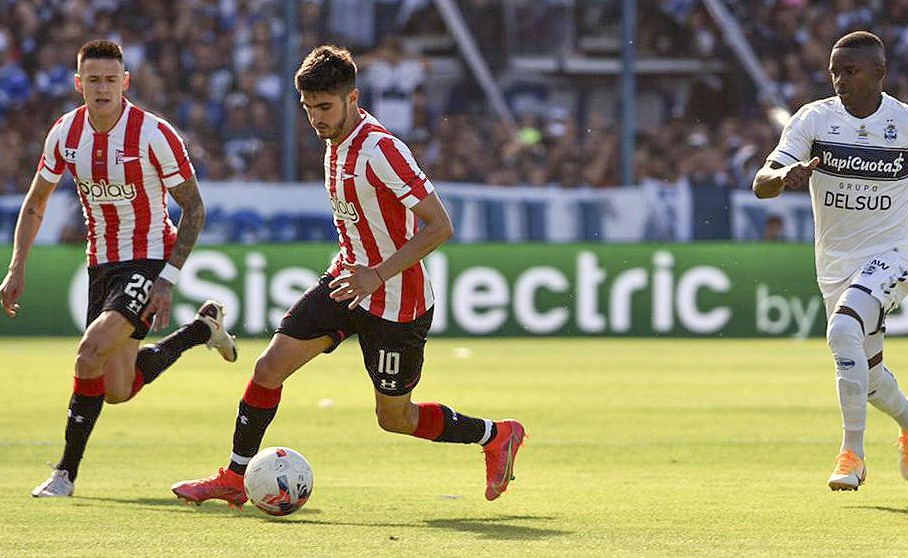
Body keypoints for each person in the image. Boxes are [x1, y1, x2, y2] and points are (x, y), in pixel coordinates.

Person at [171, 45, 526, 507]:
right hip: (347, 282)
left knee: (394, 418)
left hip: (397, 300)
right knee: (268, 368)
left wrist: (376, 274)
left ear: (352, 98)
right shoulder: (333, 144)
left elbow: (440, 225)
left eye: (325, 107)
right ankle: (236, 478)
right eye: (308, 109)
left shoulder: (380, 150)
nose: (316, 118)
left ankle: (497, 436)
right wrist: (359, 273)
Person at [0, 40, 238, 498]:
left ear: (125, 82)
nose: (103, 87)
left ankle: (64, 474)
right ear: (79, 84)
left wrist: (166, 277)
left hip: (149, 257)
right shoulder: (65, 134)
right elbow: (35, 204)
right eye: (93, 80)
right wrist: (17, 268)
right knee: (117, 389)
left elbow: (194, 209)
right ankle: (200, 331)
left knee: (89, 353)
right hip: (100, 263)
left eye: (111, 79)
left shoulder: (155, 134)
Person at [752, 31, 908, 491]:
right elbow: (761, 182)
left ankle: (852, 455)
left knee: (841, 331)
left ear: (879, 74)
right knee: (870, 375)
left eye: (851, 71)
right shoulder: (813, 120)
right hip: (836, 260)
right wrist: (783, 176)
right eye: (835, 71)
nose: (840, 80)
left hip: (896, 249)